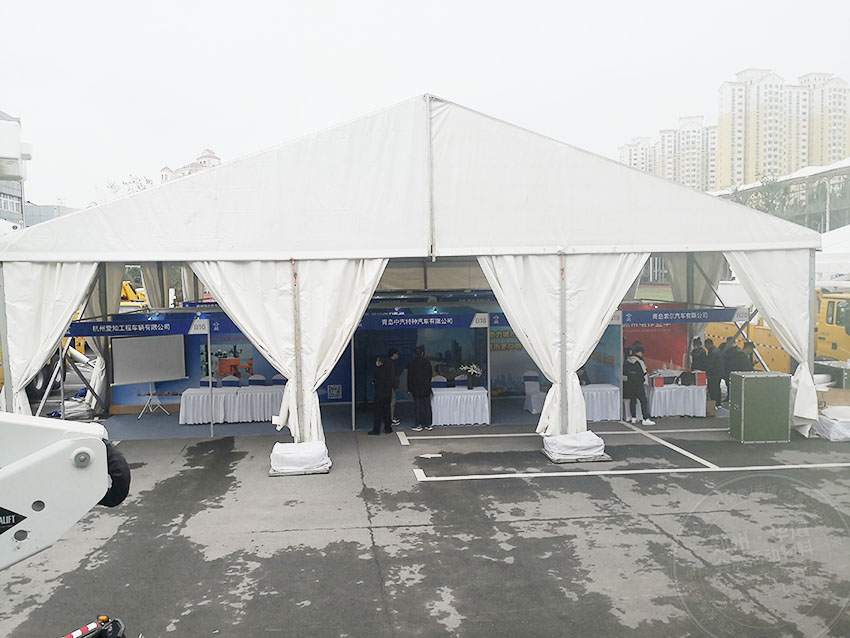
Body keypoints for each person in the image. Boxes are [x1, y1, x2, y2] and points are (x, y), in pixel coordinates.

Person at [623, 345, 655, 425]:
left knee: (632, 400)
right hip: (638, 383)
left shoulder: (627, 360)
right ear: (640, 352)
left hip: (630, 383)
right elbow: (644, 372)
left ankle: (633, 418)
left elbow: (624, 372)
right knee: (643, 400)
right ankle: (645, 418)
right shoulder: (639, 361)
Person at [406, 345, 433, 432]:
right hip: (426, 387)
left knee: (418, 406)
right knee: (427, 406)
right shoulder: (427, 362)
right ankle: (428, 424)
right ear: (422, 353)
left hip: (416, 388)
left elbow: (410, 377)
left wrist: (409, 389)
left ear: (414, 354)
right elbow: (430, 374)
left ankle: (418, 424)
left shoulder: (412, 363)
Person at [369, 356, 395, 435]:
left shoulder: (379, 370)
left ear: (380, 362)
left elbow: (377, 380)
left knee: (377, 412)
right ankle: (388, 428)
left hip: (380, 393)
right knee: (387, 410)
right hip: (388, 393)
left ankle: (376, 429)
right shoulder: (389, 370)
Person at [704, 338, 724, 405]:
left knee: (713, 388)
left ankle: (714, 403)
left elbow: (710, 364)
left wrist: (707, 372)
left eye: (706, 346)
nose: (706, 348)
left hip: (713, 374)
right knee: (717, 388)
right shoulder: (717, 350)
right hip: (718, 373)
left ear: (708, 344)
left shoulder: (712, 352)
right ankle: (718, 403)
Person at [388, 348, 400, 426]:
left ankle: (389, 417)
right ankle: (390, 418)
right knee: (392, 402)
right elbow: (393, 376)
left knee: (388, 402)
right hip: (392, 386)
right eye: (397, 353)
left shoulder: (386, 362)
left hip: (386, 386)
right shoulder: (393, 364)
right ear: (394, 354)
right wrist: (395, 386)